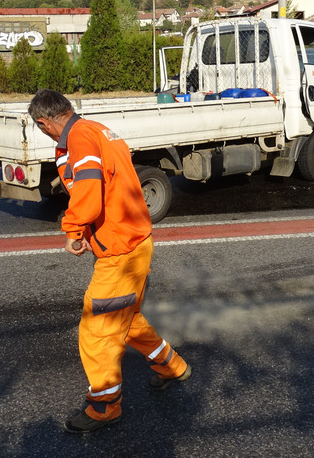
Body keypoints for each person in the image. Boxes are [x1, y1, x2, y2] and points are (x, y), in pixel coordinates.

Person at [27, 89, 191, 434]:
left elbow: (89, 188)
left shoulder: (80, 140)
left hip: (120, 250)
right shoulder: (97, 130)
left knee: (97, 330)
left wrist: (73, 228)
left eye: (42, 129)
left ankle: (104, 407)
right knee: (126, 318)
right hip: (135, 241)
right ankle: (171, 367)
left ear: (44, 123)